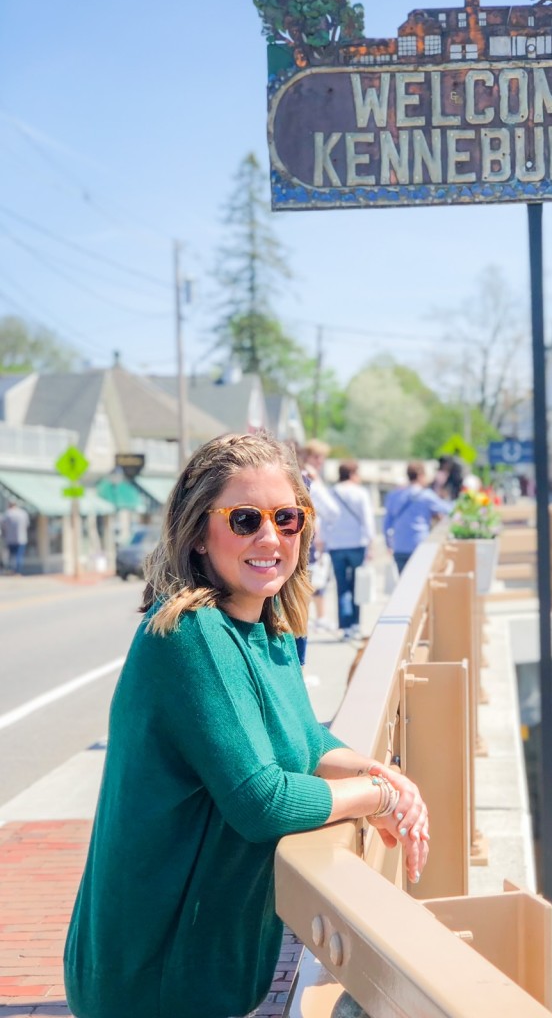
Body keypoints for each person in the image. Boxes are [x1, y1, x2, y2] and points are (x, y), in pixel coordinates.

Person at [63, 431, 428, 1018]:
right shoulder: (191, 633)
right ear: (198, 532)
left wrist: (385, 777)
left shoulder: (267, 624)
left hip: (207, 967)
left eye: (287, 517)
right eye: (244, 519)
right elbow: (262, 801)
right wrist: (377, 797)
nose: (270, 537)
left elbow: (305, 740)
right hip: (154, 974)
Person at [295, 439, 339, 663]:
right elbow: (332, 511)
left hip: (302, 549)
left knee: (299, 607)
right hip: (302, 551)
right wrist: (317, 481)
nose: (320, 462)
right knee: (299, 608)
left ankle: (299, 667)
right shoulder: (305, 480)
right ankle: (300, 668)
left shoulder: (292, 477)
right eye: (316, 457)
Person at [326, 459, 375, 641]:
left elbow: (325, 519)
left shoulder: (331, 492)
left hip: (336, 545)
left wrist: (323, 540)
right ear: (353, 474)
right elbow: (367, 519)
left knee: (342, 586)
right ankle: (355, 625)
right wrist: (371, 542)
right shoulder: (360, 493)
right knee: (357, 584)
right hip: (357, 544)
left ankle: (345, 627)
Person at [383, 462, 452, 572]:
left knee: (404, 583)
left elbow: (387, 523)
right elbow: (448, 509)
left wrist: (388, 544)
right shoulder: (426, 495)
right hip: (419, 545)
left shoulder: (394, 495)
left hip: (399, 546)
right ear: (421, 476)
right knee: (420, 584)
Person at [1, 501, 29, 575]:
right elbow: (27, 525)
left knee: (12, 556)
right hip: (21, 538)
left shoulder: (7, 514)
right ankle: (18, 571)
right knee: (19, 556)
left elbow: (3, 526)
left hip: (10, 539)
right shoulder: (23, 513)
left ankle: (12, 570)